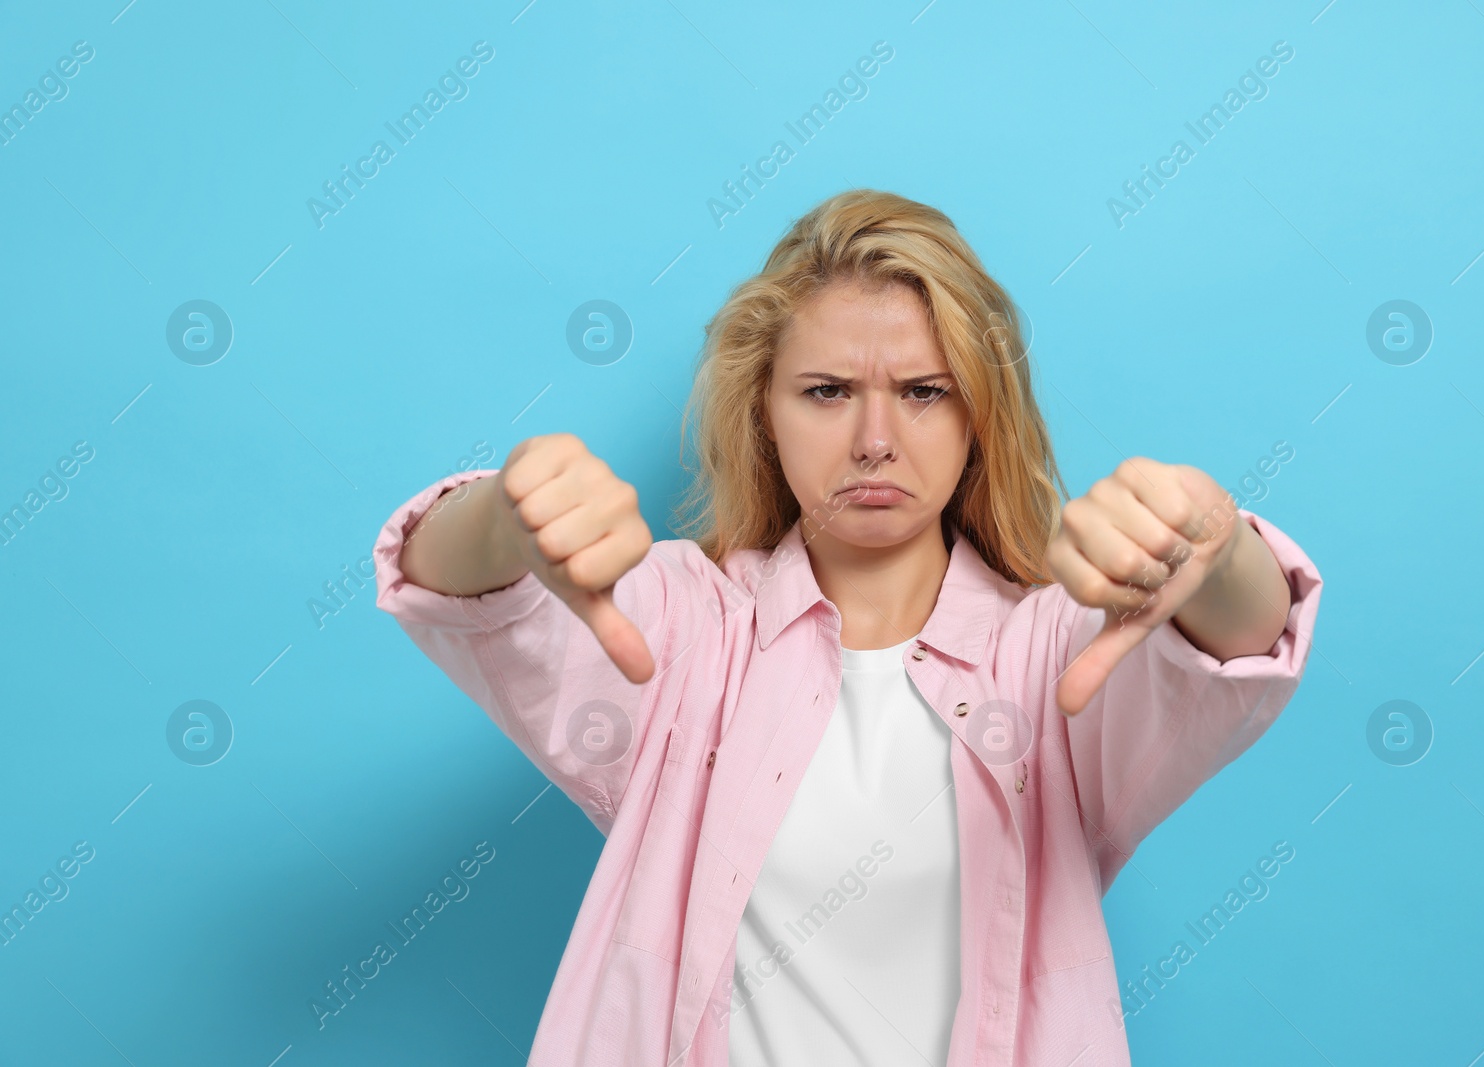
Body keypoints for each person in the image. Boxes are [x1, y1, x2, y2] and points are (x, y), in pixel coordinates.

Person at [372, 188, 1323, 1066]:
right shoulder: (686, 622)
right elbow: (465, 592)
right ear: (767, 415)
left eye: (923, 391)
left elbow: (1237, 645)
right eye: (828, 391)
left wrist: (1217, 545)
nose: (876, 439)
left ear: (979, 417)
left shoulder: (1053, 651)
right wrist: (504, 516)